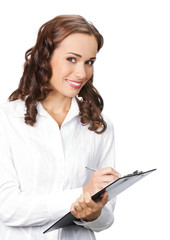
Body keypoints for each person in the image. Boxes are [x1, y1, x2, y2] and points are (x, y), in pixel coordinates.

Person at [0, 15, 120, 240]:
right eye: (72, 59)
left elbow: (107, 218)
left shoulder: (98, 127)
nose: (82, 73)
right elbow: (7, 208)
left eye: (89, 62)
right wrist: (82, 194)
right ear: (45, 57)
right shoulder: (6, 121)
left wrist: (93, 213)